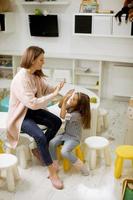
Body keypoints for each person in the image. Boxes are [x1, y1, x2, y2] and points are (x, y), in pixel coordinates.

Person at [6, 46, 65, 190]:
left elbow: (45, 88)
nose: (43, 62)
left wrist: (57, 88)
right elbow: (32, 103)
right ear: (32, 60)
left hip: (31, 111)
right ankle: (52, 173)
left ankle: (39, 149)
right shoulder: (21, 79)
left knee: (56, 121)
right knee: (40, 136)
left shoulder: (35, 74)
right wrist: (53, 94)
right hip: (21, 115)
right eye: (41, 60)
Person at [49, 90, 91, 176]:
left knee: (64, 152)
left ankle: (83, 168)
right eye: (72, 97)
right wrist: (66, 96)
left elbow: (62, 115)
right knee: (52, 143)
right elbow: (60, 105)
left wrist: (65, 100)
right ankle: (55, 165)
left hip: (74, 138)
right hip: (66, 134)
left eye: (74, 99)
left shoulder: (76, 115)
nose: (71, 100)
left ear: (79, 105)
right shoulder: (72, 107)